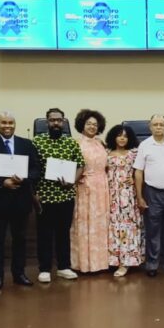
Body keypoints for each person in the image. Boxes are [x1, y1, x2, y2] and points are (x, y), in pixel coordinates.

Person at [0, 111, 41, 289]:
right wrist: (2, 182)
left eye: (10, 123)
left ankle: (19, 274)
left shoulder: (26, 143)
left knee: (20, 239)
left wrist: (24, 179)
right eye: (3, 122)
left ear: (15, 124)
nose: (7, 126)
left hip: (21, 199)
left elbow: (36, 169)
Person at [33, 108, 84, 283]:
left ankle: (64, 267)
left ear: (63, 122)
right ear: (47, 122)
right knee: (44, 233)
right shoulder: (37, 142)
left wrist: (72, 181)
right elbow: (32, 168)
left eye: (59, 120)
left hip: (66, 196)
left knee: (63, 233)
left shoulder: (71, 143)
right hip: (44, 196)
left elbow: (80, 165)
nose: (56, 123)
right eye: (52, 120)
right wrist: (34, 193)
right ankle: (44, 269)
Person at [134, 114, 164, 277]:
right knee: (152, 231)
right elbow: (138, 172)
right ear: (150, 127)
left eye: (161, 124)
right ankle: (152, 265)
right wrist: (140, 196)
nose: (159, 127)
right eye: (155, 124)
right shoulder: (144, 145)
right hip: (152, 192)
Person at [70, 109, 111, 273]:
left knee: (101, 224)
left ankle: (101, 263)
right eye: (89, 124)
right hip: (84, 186)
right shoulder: (76, 143)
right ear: (82, 125)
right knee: (84, 223)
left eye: (95, 124)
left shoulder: (102, 144)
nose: (92, 127)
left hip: (102, 187)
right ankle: (84, 263)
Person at [106, 124, 144, 277]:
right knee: (112, 227)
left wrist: (134, 179)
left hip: (128, 196)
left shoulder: (134, 153)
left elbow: (143, 170)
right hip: (110, 195)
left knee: (127, 227)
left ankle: (126, 262)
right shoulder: (106, 152)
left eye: (125, 136)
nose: (122, 138)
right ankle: (113, 260)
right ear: (113, 137)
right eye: (119, 135)